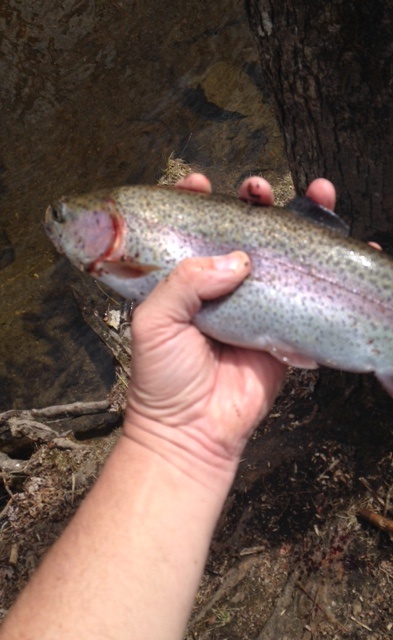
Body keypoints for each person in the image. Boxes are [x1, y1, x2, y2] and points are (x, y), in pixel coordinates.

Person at [0, 174, 337, 640]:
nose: (54, 222)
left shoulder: (120, 244)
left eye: (63, 215)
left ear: (107, 222)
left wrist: (170, 441)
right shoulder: (118, 244)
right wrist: (174, 435)